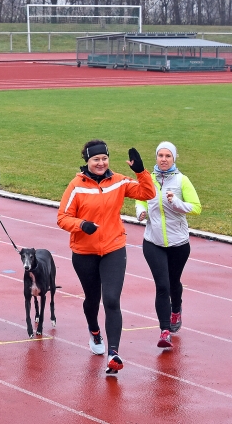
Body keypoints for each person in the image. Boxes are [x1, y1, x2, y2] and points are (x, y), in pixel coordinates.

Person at [57, 140, 155, 374]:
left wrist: (140, 171)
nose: (101, 163)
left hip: (113, 248)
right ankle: (94, 331)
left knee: (111, 300)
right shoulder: (76, 186)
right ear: (87, 162)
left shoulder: (119, 181)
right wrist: (82, 225)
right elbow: (62, 218)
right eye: (95, 160)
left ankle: (114, 353)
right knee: (92, 299)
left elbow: (147, 193)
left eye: (104, 158)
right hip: (84, 252)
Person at [136, 141, 201, 348]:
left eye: (167, 156)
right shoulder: (149, 179)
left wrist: (177, 203)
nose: (163, 159)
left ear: (174, 158)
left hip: (178, 243)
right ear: (156, 157)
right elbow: (141, 199)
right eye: (160, 155)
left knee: (174, 283)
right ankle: (164, 331)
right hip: (153, 242)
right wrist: (140, 211)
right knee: (162, 285)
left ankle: (176, 309)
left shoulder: (182, 180)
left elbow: (196, 208)